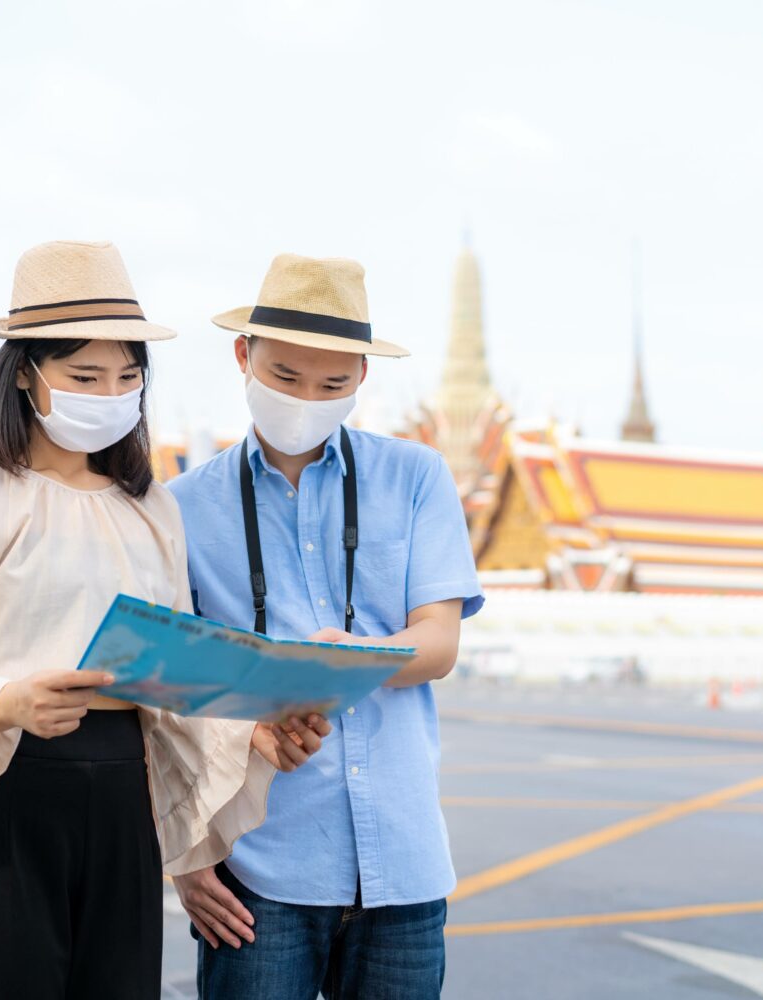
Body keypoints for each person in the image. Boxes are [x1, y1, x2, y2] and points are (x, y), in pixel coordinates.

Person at [0, 240, 331, 1000]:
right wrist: (8, 700)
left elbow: (171, 677)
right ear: (26, 371)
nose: (112, 392)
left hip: (123, 791)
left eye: (128, 377)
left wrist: (257, 726)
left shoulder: (148, 505)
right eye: (85, 376)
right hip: (4, 788)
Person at [168, 254, 484, 999]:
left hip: (403, 867)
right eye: (284, 377)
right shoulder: (179, 506)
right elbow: (173, 686)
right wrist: (185, 854)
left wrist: (347, 655)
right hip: (256, 867)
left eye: (333, 385)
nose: (307, 398)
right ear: (243, 356)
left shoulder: (416, 476)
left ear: (362, 379)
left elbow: (437, 644)